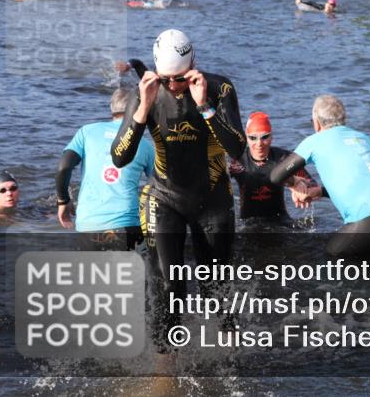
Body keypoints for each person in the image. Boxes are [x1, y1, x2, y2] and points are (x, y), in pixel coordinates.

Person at [110, 28, 245, 368]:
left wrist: (204, 106)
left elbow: (238, 148)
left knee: (216, 285)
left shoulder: (219, 88)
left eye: (181, 78)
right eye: (167, 79)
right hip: (165, 198)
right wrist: (142, 109)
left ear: (194, 65)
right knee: (168, 284)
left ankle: (228, 362)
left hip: (213, 199)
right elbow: (119, 157)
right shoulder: (147, 93)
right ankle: (164, 370)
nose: (174, 86)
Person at [270, 95, 370, 257]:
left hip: (369, 223)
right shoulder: (362, 138)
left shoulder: (315, 141)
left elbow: (276, 176)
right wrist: (320, 191)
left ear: (316, 123)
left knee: (332, 260)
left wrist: (294, 183)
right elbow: (360, 179)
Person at [57, 88, 155, 250]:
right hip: (127, 224)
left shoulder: (86, 132)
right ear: (135, 108)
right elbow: (159, 185)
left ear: (112, 108)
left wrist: (63, 200)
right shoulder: (144, 145)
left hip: (88, 225)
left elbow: (64, 167)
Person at [229, 111, 312, 225]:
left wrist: (300, 187)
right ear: (246, 138)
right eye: (253, 138)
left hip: (281, 222)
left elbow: (312, 185)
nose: (259, 143)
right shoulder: (237, 162)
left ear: (272, 136)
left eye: (265, 137)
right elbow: (214, 185)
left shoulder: (283, 158)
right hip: (248, 225)